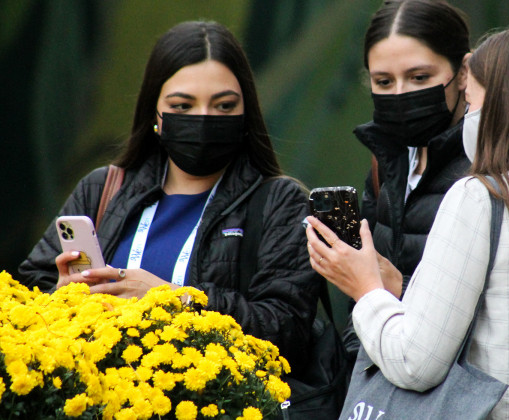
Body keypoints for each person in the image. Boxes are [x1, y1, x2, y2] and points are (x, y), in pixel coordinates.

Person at [306, 23, 509, 419]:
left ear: (505, 106)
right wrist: (397, 288)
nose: (468, 117)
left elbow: (414, 362)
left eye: (472, 103)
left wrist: (366, 289)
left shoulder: (481, 195)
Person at [17, 21, 320, 370]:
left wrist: (177, 301)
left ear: (245, 113)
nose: (203, 118)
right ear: (154, 116)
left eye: (223, 106)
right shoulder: (102, 188)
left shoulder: (280, 201)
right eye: (182, 106)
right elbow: (28, 296)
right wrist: (63, 293)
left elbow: (288, 330)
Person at [342, 0, 472, 353]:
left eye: (419, 77)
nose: (400, 94)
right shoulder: (386, 159)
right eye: (383, 81)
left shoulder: (488, 169)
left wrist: (396, 287)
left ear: (463, 73)